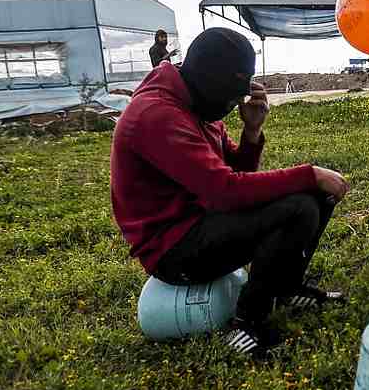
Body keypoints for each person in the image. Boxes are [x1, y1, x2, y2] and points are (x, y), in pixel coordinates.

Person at [111, 27, 349, 358]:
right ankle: (245, 322)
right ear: (209, 85)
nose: (230, 107)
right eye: (229, 99)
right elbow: (224, 192)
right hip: (172, 249)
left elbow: (236, 176)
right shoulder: (157, 115)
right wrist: (308, 174)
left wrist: (252, 132)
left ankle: (286, 289)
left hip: (203, 221)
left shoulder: (196, 103)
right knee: (299, 205)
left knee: (314, 197)